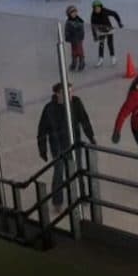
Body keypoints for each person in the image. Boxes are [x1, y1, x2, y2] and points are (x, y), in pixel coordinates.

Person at [37, 82, 97, 210]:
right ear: (58, 94)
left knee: (78, 169)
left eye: (71, 91)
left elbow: (84, 120)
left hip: (74, 143)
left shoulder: (76, 103)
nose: (70, 94)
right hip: (58, 146)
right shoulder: (49, 108)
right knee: (59, 172)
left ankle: (82, 195)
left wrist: (91, 136)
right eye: (67, 92)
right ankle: (57, 201)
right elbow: (42, 130)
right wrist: (42, 150)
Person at [90, 0, 123, 67]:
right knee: (101, 44)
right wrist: (94, 35)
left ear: (101, 7)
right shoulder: (93, 15)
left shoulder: (105, 11)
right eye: (95, 8)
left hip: (109, 30)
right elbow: (93, 26)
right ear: (93, 9)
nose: (97, 9)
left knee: (110, 43)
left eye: (98, 8)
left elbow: (115, 13)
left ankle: (113, 57)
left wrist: (119, 22)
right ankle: (100, 59)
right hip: (101, 31)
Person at [64, 5, 87, 71]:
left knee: (80, 51)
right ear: (69, 14)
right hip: (72, 39)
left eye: (75, 12)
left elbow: (82, 30)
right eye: (72, 13)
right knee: (74, 51)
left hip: (79, 39)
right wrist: (67, 37)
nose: (74, 14)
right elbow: (66, 30)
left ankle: (82, 62)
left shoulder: (79, 20)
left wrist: (81, 36)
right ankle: (74, 63)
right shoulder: (68, 22)